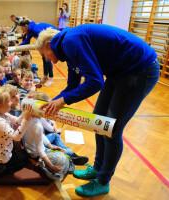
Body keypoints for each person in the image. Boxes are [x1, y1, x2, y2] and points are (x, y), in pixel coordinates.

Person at [36, 24, 160, 197]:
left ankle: (103, 181)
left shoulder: (71, 41)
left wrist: (63, 100)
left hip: (140, 69)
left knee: (111, 129)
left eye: (44, 55)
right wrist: (54, 102)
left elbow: (95, 82)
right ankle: (97, 168)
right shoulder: (66, 47)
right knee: (98, 122)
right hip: (120, 72)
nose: (47, 59)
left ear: (49, 44)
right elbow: (72, 86)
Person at [0, 87, 33, 180]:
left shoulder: (2, 113)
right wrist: (26, 119)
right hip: (2, 156)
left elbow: (16, 121)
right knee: (24, 158)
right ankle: (3, 169)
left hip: (1, 149)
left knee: (22, 155)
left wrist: (24, 114)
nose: (11, 103)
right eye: (8, 101)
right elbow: (17, 137)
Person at [19, 20, 56, 86]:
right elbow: (27, 41)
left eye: (22, 29)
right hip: (46, 40)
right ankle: (45, 76)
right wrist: (17, 47)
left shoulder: (35, 29)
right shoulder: (30, 31)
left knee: (47, 59)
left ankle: (51, 78)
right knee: (44, 58)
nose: (23, 31)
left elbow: (45, 38)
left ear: (26, 26)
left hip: (53, 38)